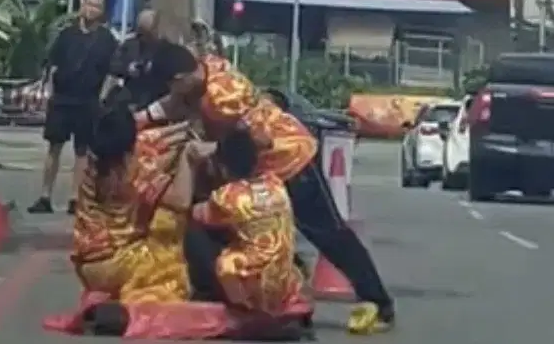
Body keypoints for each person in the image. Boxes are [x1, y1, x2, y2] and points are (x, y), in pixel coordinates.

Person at [141, 45, 394, 334]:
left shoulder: (224, 98)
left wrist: (210, 149)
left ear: (180, 77)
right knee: (232, 225)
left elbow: (260, 141)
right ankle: (274, 289)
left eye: (173, 86)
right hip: (259, 168)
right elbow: (174, 105)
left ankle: (379, 302)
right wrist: (141, 120)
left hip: (291, 159)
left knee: (327, 233)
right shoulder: (207, 67)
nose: (174, 94)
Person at [70, 101, 194, 308]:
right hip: (119, 264)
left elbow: (155, 140)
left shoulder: (94, 166)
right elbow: (181, 201)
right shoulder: (136, 171)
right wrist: (188, 159)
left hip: (86, 267)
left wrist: (185, 127)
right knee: (173, 245)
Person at [186, 125, 302, 316]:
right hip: (282, 284)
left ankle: (224, 297)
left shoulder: (228, 196)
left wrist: (191, 164)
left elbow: (193, 213)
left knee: (193, 233)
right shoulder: (276, 184)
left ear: (222, 167)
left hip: (250, 286)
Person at [30, 0, 118, 215]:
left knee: (82, 152)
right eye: (89, 4)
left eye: (97, 6)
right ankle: (45, 196)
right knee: (54, 148)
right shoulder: (66, 35)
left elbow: (112, 72)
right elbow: (52, 66)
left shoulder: (107, 40)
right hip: (61, 99)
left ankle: (75, 199)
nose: (92, 9)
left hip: (87, 101)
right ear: (82, 6)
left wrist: (102, 97)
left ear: (102, 11)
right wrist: (49, 92)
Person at [104, 7, 162, 108]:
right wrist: (128, 68)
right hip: (132, 95)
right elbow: (113, 65)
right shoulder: (130, 44)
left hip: (154, 98)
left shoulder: (163, 47)